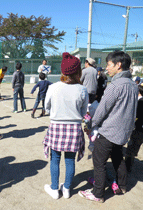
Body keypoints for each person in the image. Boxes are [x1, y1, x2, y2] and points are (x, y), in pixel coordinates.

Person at [79, 51, 138, 203]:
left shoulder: (115, 85)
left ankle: (98, 193)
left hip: (110, 131)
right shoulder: (133, 85)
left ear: (119, 65)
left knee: (99, 162)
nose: (107, 68)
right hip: (123, 132)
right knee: (118, 157)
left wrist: (91, 124)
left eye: (109, 65)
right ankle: (122, 185)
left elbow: (102, 110)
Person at [43, 52, 88, 200]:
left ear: (63, 71)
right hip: (74, 128)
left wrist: (56, 112)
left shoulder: (53, 87)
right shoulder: (82, 89)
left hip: (56, 126)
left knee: (54, 158)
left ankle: (55, 189)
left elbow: (47, 107)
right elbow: (83, 112)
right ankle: (67, 188)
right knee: (70, 160)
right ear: (78, 71)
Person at [125, 84, 143, 172]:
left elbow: (135, 116)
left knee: (131, 149)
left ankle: (127, 168)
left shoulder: (140, 102)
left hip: (139, 129)